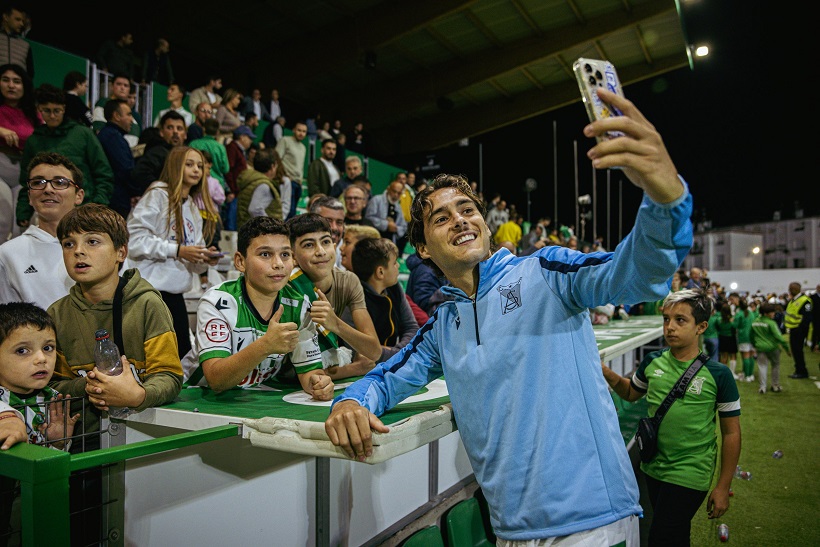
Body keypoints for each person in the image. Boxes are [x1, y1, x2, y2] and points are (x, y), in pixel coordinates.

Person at [325, 87, 693, 545]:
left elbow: (636, 272)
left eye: (467, 210)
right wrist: (351, 403)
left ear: (484, 222)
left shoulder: (547, 272)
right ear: (421, 248)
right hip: (511, 530)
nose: (460, 220)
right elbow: (386, 376)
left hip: (592, 523)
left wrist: (665, 198)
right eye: (441, 218)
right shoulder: (444, 324)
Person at [48, 202, 183, 544]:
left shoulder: (148, 304)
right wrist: (89, 386)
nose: (78, 251)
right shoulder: (57, 314)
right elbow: (52, 384)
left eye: (92, 241)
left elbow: (169, 375)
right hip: (78, 452)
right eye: (69, 244)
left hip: (136, 450)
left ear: (121, 251)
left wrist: (138, 394)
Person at [601, 289, 741, 546]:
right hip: (653, 467)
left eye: (680, 320)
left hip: (691, 471)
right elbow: (631, 393)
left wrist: (723, 485)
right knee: (675, 535)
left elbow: (731, 432)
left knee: (661, 536)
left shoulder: (719, 374)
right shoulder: (652, 361)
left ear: (701, 327)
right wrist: (605, 372)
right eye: (666, 319)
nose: (670, 327)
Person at [182, 216, 334, 399]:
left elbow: (309, 371)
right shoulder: (218, 301)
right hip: (195, 397)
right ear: (240, 262)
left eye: (285, 254)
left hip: (248, 399)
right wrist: (265, 345)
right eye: (265, 254)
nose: (278, 264)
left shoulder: (299, 304)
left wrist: (319, 384)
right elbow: (216, 379)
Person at [127, 147, 219, 359]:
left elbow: (192, 259)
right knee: (150, 359)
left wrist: (204, 258)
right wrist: (177, 250)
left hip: (175, 294)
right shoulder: (158, 195)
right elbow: (134, 240)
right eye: (189, 164)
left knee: (181, 357)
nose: (196, 170)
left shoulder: (193, 208)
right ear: (175, 166)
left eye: (199, 165)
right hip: (148, 292)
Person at [286, 213, 381, 369]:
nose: (321, 251)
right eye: (309, 245)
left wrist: (335, 324)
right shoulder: (286, 286)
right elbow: (286, 367)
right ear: (293, 256)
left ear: (334, 246)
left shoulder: (348, 281)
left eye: (326, 242)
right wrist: (353, 369)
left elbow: (374, 352)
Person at [15, 84, 114, 227]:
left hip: (83, 210)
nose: (53, 115)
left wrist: (97, 205)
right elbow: (27, 180)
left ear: (64, 109)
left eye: (57, 110)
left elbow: (104, 173)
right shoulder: (34, 140)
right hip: (47, 212)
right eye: (47, 111)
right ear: (39, 110)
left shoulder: (83, 134)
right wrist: (23, 211)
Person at [0, 152, 84, 310]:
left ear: (78, 196)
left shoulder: (103, 246)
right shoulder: (7, 254)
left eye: (59, 182)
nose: (48, 189)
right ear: (30, 197)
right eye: (38, 182)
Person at [0, 302, 79, 449]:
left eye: (48, 348)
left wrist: (57, 443)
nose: (42, 358)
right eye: (22, 351)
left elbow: (50, 467)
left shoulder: (54, 401)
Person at [350, 237, 417, 365]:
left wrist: (392, 352)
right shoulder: (353, 295)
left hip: (391, 360)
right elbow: (358, 352)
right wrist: (400, 353)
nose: (398, 266)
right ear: (380, 272)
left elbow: (412, 328)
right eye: (394, 263)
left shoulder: (394, 288)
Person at [0, 63, 39, 237]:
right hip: (1, 166)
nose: (11, 85)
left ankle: (12, 264)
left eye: (17, 81)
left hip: (23, 172)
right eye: (5, 80)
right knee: (2, 220)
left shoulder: (32, 113)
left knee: (20, 225)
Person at [130, 109, 186, 198]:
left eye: (179, 128)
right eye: (170, 127)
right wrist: (164, 190)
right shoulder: (157, 152)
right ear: (161, 132)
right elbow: (140, 173)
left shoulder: (187, 155)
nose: (175, 132)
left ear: (185, 134)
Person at [96, 98, 137, 218]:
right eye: (129, 114)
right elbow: (125, 169)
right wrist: (137, 191)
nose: (131, 120)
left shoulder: (109, 135)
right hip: (116, 201)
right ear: (116, 116)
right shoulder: (113, 137)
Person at [750, 302, 791, 394]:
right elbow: (779, 337)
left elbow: (751, 336)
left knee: (762, 366)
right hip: (773, 348)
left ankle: (762, 387)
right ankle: (775, 385)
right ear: (766, 313)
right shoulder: (771, 323)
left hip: (760, 347)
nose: (774, 314)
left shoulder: (755, 322)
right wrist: (787, 349)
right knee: (775, 366)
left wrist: (755, 345)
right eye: (772, 312)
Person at [236, 148, 282, 228]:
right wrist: (271, 227)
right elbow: (254, 209)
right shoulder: (263, 185)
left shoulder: (251, 180)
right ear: (272, 166)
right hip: (258, 234)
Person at [91, 73, 140, 148]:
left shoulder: (135, 115)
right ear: (112, 86)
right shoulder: (103, 103)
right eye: (119, 84)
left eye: (126, 85)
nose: (122, 88)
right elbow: (99, 131)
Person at [784, 281, 812, 379]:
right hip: (793, 329)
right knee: (795, 351)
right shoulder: (793, 300)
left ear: (797, 289)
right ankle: (798, 369)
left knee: (798, 351)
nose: (790, 290)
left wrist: (801, 330)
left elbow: (807, 318)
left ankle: (802, 371)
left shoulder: (805, 301)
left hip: (798, 330)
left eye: (792, 288)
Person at [365, 180, 406, 245]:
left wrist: (396, 228)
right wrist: (386, 225)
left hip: (390, 242)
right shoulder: (376, 200)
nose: (396, 195)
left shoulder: (398, 206)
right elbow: (368, 218)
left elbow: (403, 226)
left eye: (399, 193)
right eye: (394, 191)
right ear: (388, 189)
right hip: (374, 240)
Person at [0, 5, 34, 78]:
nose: (21, 24)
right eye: (17, 19)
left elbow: (30, 75)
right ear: (5, 17)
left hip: (15, 88)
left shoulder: (25, 46)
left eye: (23, 21)